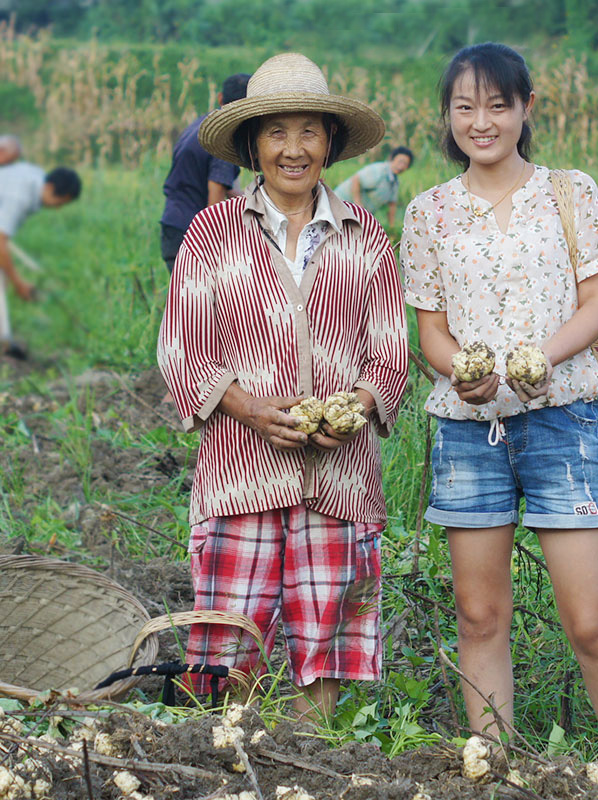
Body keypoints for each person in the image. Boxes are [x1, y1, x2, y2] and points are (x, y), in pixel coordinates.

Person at [400, 42, 598, 751]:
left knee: (591, 621)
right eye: (466, 107)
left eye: (498, 106)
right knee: (479, 617)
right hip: (469, 429)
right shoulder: (429, 213)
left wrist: (541, 358)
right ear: (447, 117)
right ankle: (493, 766)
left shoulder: (569, 191)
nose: (482, 122)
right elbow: (432, 331)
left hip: (564, 418)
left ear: (526, 109)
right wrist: (462, 373)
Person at [157, 53, 408, 719]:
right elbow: (183, 350)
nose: (293, 149)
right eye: (275, 133)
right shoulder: (212, 234)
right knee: (227, 645)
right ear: (251, 145)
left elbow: (390, 359)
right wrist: (251, 409)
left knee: (323, 651)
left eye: (308, 132)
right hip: (242, 474)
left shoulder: (367, 237)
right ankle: (227, 762)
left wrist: (352, 409)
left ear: (329, 140)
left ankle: (310, 764)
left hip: (338, 482)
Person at [159, 72, 251, 273]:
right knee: (203, 303)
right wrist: (216, 248)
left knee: (187, 302)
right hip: (193, 235)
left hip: (173, 226)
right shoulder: (223, 139)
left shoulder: (201, 125)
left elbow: (227, 188)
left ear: (220, 98)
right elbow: (216, 195)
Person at [0, 163, 81, 358]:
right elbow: (1, 242)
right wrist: (18, 283)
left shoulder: (36, 178)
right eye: (59, 202)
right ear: (50, 188)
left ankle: (5, 340)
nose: (58, 208)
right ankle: (5, 341)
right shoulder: (19, 196)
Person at [334, 146, 413, 227]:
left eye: (405, 164)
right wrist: (359, 207)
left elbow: (392, 205)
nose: (401, 166)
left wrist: (392, 227)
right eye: (400, 161)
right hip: (340, 205)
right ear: (392, 158)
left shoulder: (394, 182)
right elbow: (356, 180)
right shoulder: (379, 170)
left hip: (354, 215)